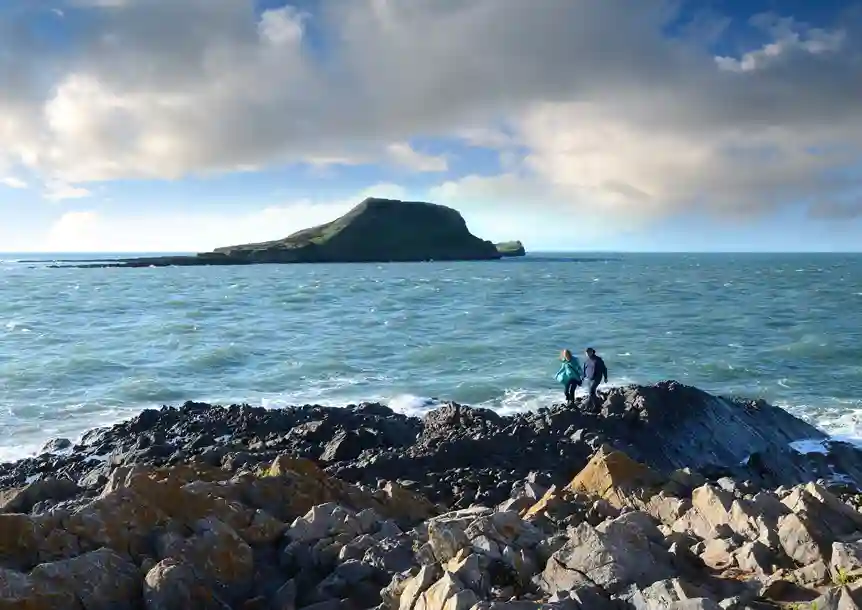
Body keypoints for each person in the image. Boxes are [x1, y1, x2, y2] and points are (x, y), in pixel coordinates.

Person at [583, 347, 608, 413]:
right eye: (586, 353)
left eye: (588, 352)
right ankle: (590, 406)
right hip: (589, 378)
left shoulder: (598, 360)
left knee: (591, 391)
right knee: (591, 393)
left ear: (592, 352)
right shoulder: (587, 360)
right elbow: (585, 368)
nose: (587, 354)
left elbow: (604, 369)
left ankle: (597, 406)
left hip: (597, 378)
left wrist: (605, 377)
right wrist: (583, 376)